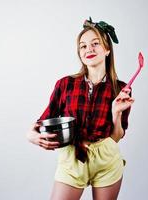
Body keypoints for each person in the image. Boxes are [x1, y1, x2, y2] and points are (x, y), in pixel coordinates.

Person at [26, 17, 135, 200]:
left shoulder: (120, 89)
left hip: (107, 160)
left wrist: (116, 113)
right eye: (83, 46)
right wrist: (30, 135)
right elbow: (43, 121)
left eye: (95, 43)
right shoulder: (65, 84)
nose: (88, 49)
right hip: (73, 159)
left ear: (107, 49)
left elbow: (116, 137)